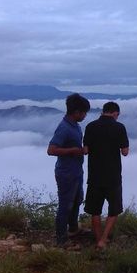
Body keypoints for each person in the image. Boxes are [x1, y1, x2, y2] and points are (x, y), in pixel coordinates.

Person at [83, 101, 129, 249]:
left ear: (103, 111)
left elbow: (85, 150)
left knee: (95, 210)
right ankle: (103, 239)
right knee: (114, 209)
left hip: (95, 175)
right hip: (113, 176)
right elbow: (125, 152)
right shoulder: (119, 127)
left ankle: (98, 240)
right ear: (115, 113)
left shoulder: (90, 126)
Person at [47, 93, 90, 247]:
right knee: (65, 204)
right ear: (76, 111)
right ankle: (61, 239)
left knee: (77, 200)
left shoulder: (75, 126)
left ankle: (73, 228)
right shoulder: (64, 128)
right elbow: (51, 150)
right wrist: (72, 150)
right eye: (84, 112)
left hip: (76, 171)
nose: (85, 116)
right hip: (66, 173)